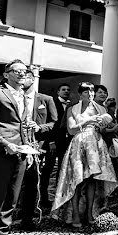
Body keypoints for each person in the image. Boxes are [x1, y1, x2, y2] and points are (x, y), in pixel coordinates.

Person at [0, 60, 52, 235]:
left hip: (21, 151)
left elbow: (22, 125)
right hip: (1, 152)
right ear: (6, 74)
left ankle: (3, 232)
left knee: (12, 195)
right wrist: (6, 144)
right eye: (16, 71)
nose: (21, 74)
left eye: (24, 71)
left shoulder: (25, 97)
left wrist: (27, 148)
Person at [51, 83, 117, 228]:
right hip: (79, 144)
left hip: (95, 145)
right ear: (81, 94)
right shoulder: (72, 108)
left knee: (92, 180)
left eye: (92, 91)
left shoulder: (101, 109)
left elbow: (103, 130)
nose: (91, 94)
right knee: (78, 179)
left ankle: (90, 214)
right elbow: (71, 129)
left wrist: (107, 125)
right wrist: (88, 121)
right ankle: (75, 215)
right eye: (87, 91)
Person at [18, 69, 58, 228]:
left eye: (25, 77)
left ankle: (27, 219)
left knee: (32, 182)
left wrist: (40, 127)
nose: (22, 80)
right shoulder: (16, 98)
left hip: (37, 145)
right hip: (18, 143)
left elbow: (54, 122)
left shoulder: (45, 99)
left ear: (32, 79)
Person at [41, 82, 72, 213]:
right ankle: (43, 198)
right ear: (58, 92)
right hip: (53, 142)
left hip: (66, 142)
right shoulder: (52, 103)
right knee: (48, 169)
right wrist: (51, 141)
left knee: (62, 169)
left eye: (68, 90)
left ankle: (59, 198)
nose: (66, 91)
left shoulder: (71, 105)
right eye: (63, 89)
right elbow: (51, 123)